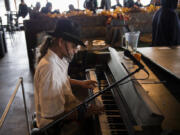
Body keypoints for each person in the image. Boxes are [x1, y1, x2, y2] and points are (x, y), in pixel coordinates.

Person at [34, 19, 102, 134]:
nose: (75, 51)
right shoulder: (50, 68)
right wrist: (84, 113)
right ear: (61, 42)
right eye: (74, 46)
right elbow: (53, 114)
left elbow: (60, 80)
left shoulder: (57, 58)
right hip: (53, 127)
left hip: (60, 113)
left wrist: (80, 83)